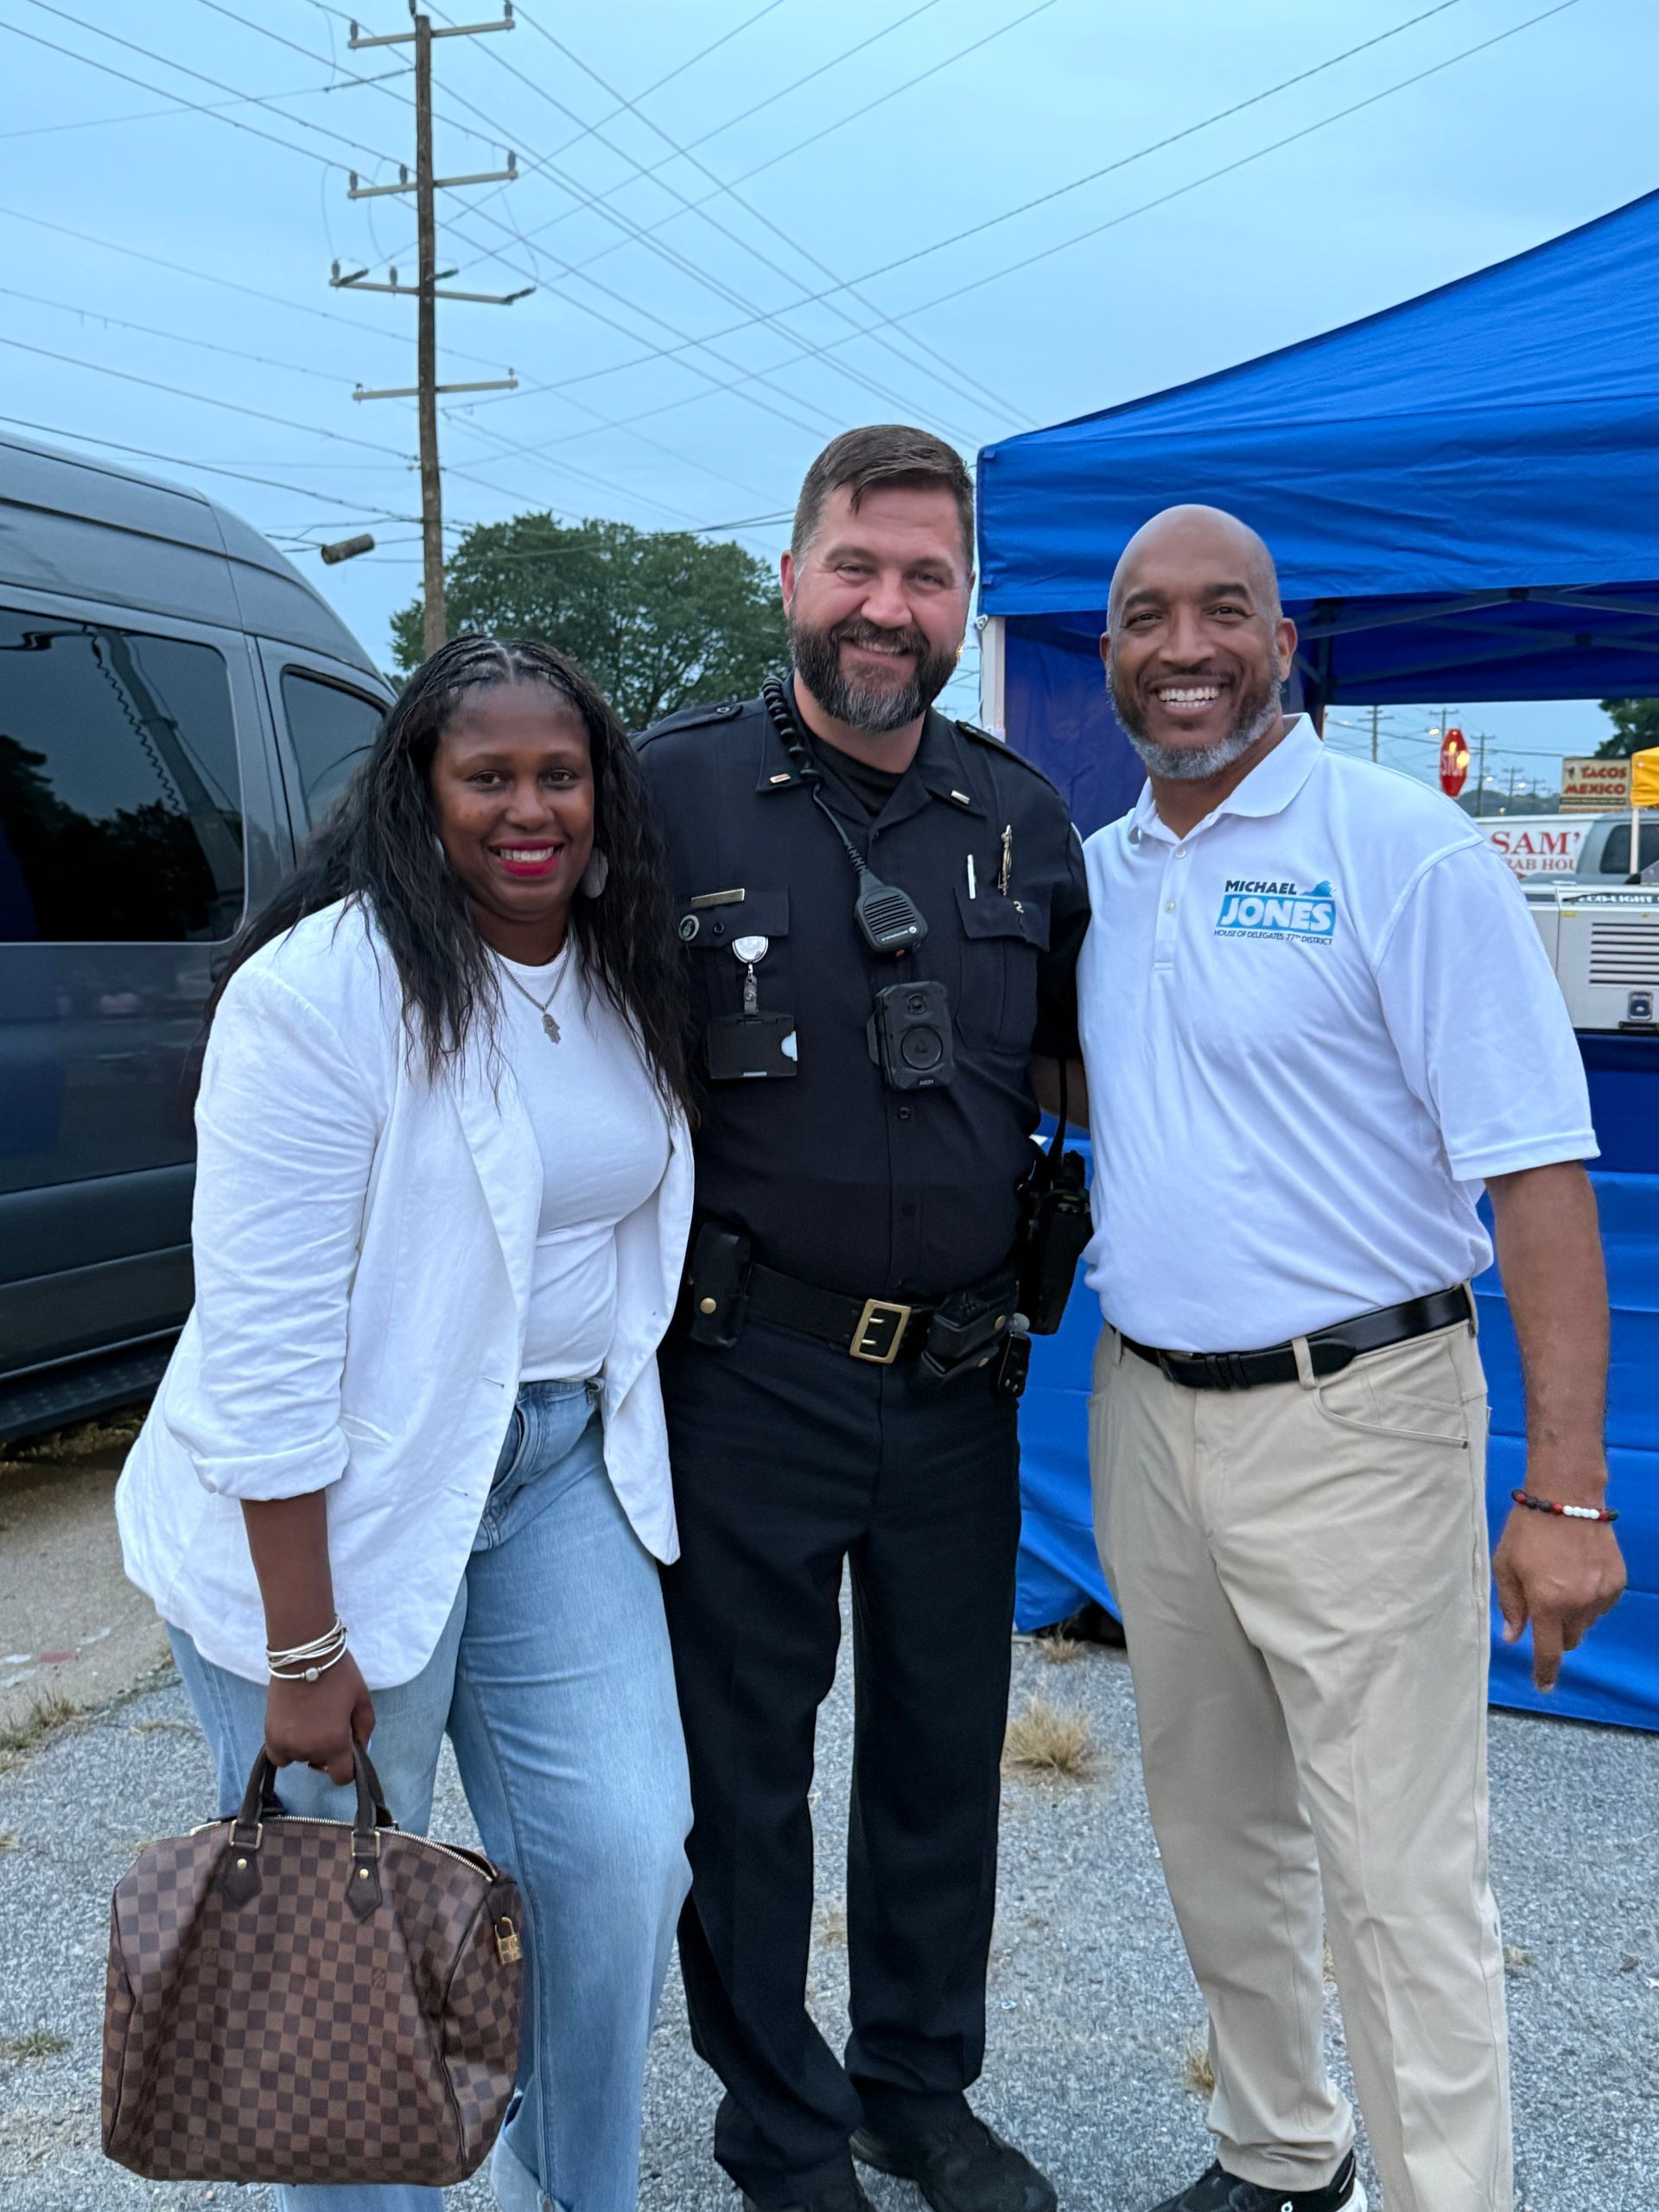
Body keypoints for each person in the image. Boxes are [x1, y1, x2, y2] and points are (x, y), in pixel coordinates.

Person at [1074, 505, 1626, 2212]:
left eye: (1220, 610)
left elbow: (1536, 1175)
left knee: (1401, 1869)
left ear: (1283, 636)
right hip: (1150, 1409)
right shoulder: (1096, 877)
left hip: (1366, 1412)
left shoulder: (1409, 851)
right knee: (1216, 1833)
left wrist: (1569, 1488)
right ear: (1106, 654)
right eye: (1145, 615)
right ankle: (1277, 2148)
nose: (1183, 646)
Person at [115, 635, 696, 2212]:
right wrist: (303, 1647)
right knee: (342, 1926)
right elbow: (265, 1341)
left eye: (558, 775)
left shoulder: (620, 962)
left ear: (602, 792)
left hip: (558, 1466)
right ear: (416, 793)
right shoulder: (320, 996)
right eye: (487, 776)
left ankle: (571, 2187)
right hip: (333, 1502)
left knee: (622, 1854)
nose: (530, 809)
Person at [636, 424, 1090, 2212]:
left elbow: (1085, 1059)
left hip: (967, 1379)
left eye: (926, 576)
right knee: (743, 1774)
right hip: (749, 1367)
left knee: (936, 1753)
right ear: (793, 576)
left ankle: (918, 2085)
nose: (888, 605)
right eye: (859, 566)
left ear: (966, 603)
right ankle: (781, 2119)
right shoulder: (667, 796)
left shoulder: (1020, 816)